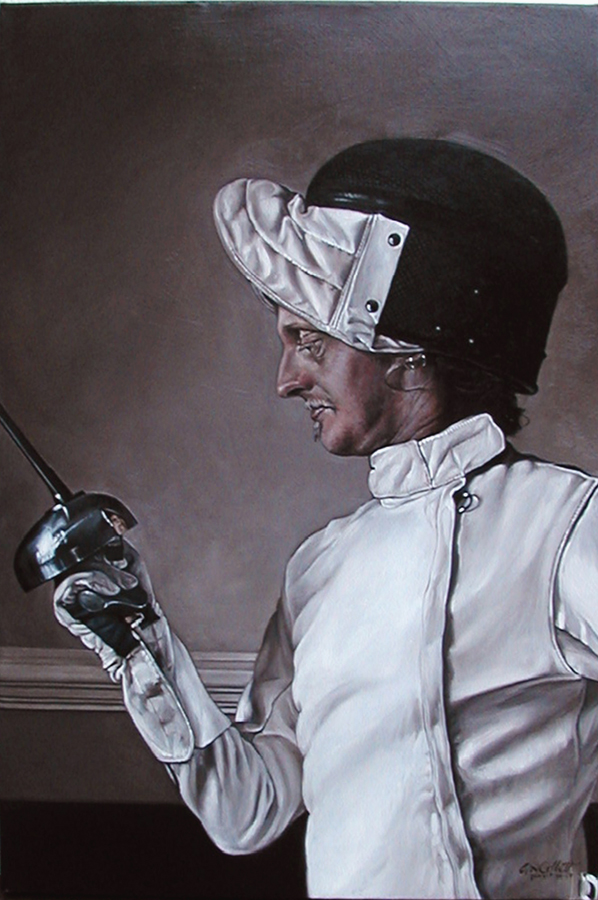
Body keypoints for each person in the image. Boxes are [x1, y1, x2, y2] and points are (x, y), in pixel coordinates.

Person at [53, 139, 598, 900]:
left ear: (411, 351)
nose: (286, 380)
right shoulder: (321, 565)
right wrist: (139, 644)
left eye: (309, 340)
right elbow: (249, 812)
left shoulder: (564, 524)